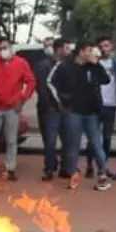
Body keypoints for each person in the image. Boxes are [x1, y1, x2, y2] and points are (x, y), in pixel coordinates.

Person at [49, 42, 112, 191]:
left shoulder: (93, 67)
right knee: (73, 145)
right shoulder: (66, 66)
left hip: (91, 112)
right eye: (89, 50)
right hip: (73, 111)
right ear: (81, 52)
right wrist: (62, 101)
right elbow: (52, 82)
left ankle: (102, 174)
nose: (92, 53)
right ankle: (73, 174)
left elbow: (106, 80)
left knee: (96, 142)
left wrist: (97, 64)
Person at [0, 38, 35, 180]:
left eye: (5, 47)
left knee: (11, 140)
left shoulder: (21, 63)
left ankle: (10, 169)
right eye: (0, 48)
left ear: (11, 48)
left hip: (12, 108)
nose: (2, 51)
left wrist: (22, 98)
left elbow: (31, 81)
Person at [85, 37, 116, 178]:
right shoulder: (93, 64)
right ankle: (89, 165)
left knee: (107, 137)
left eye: (107, 45)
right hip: (95, 104)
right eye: (101, 46)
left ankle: (103, 167)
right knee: (93, 137)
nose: (104, 48)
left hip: (111, 104)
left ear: (111, 47)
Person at [35, 41, 65, 181]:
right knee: (50, 140)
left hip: (64, 108)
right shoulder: (44, 65)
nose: (69, 51)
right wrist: (50, 106)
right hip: (50, 109)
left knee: (67, 139)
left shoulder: (66, 65)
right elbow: (42, 88)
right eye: (66, 48)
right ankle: (49, 168)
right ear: (58, 49)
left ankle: (64, 166)